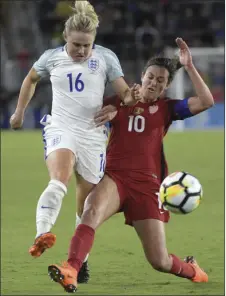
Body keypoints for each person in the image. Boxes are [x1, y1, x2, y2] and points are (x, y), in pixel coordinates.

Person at [47, 37, 214, 293]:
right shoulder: (120, 99)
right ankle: (71, 269)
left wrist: (189, 66)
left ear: (167, 86)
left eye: (160, 80)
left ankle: (195, 272)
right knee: (90, 212)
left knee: (159, 260)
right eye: (150, 76)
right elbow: (87, 118)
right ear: (142, 76)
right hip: (115, 178)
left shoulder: (168, 109)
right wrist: (110, 113)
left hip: (147, 187)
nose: (153, 82)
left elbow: (206, 101)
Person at [9, 0, 138, 284]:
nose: (81, 50)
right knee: (58, 180)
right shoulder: (51, 57)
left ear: (94, 43)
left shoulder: (106, 58)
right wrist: (19, 112)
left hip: (93, 135)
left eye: (86, 46)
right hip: (61, 127)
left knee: (87, 206)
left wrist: (125, 103)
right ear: (66, 37)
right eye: (76, 44)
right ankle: (42, 233)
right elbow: (30, 79)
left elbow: (126, 95)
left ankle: (81, 262)